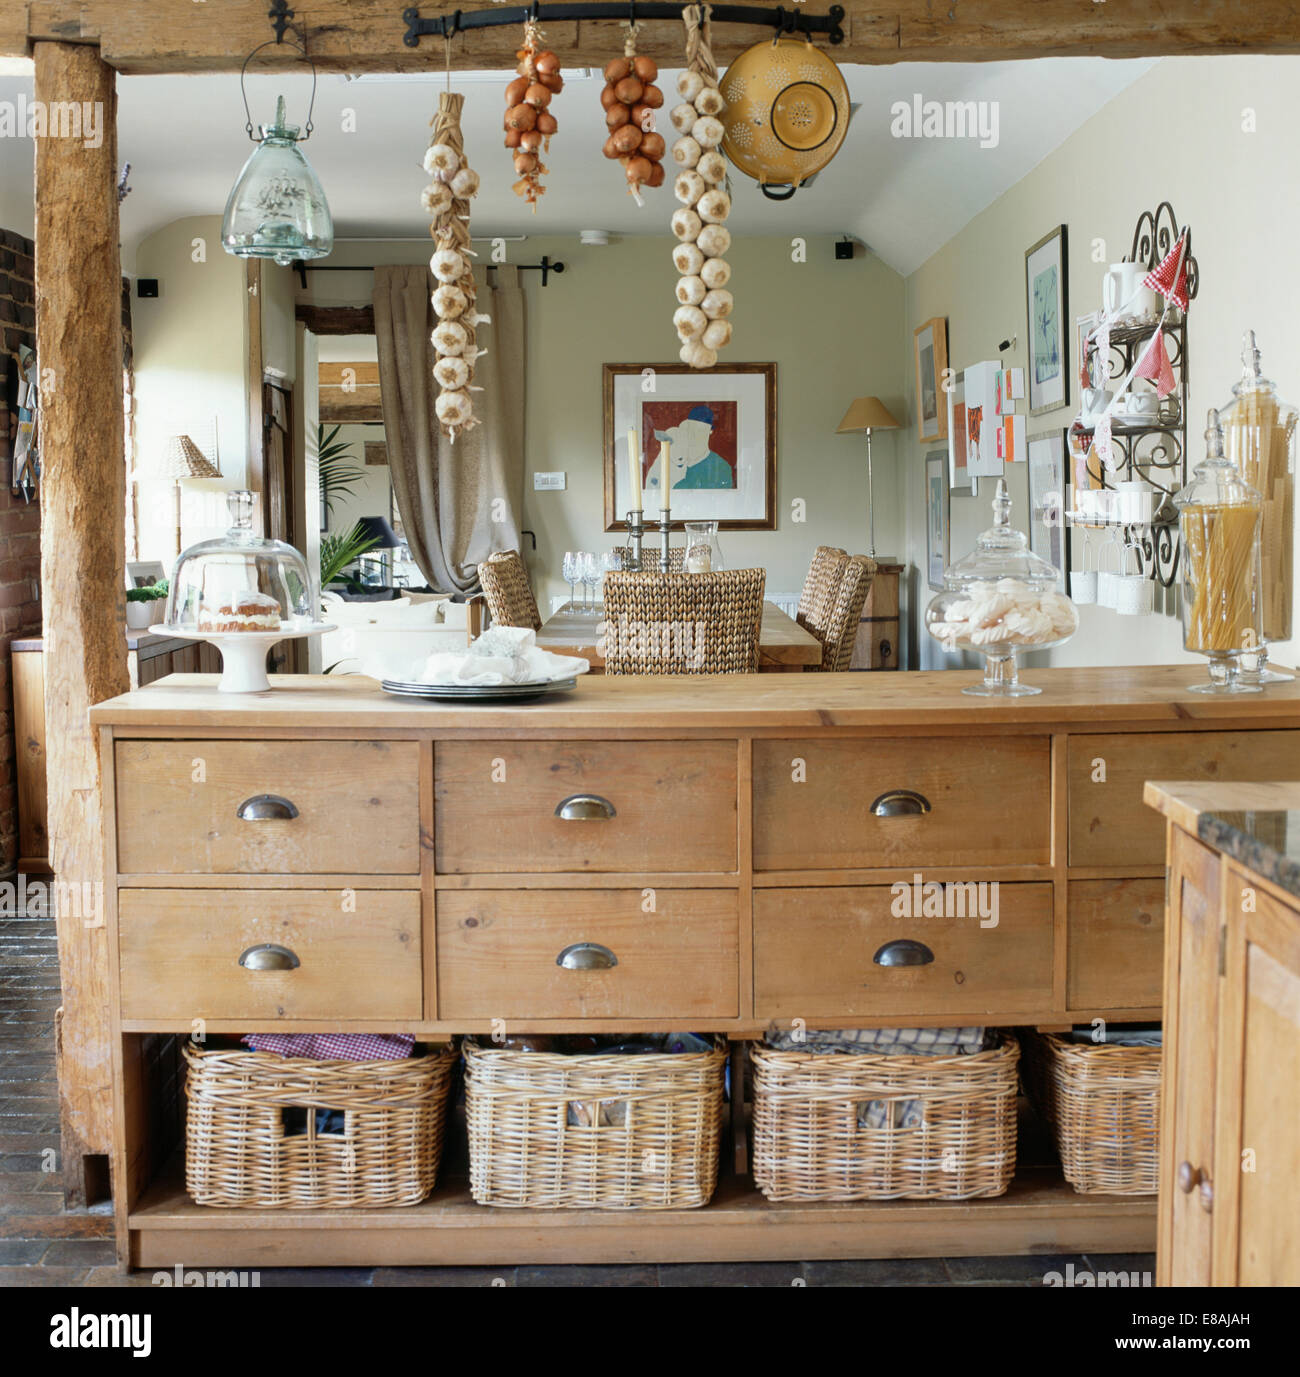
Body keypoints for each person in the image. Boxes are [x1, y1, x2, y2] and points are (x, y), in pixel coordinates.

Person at [656, 404, 733, 493]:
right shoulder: (674, 460)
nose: (694, 435)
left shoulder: (721, 467)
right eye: (691, 429)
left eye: (700, 430)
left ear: (710, 431)